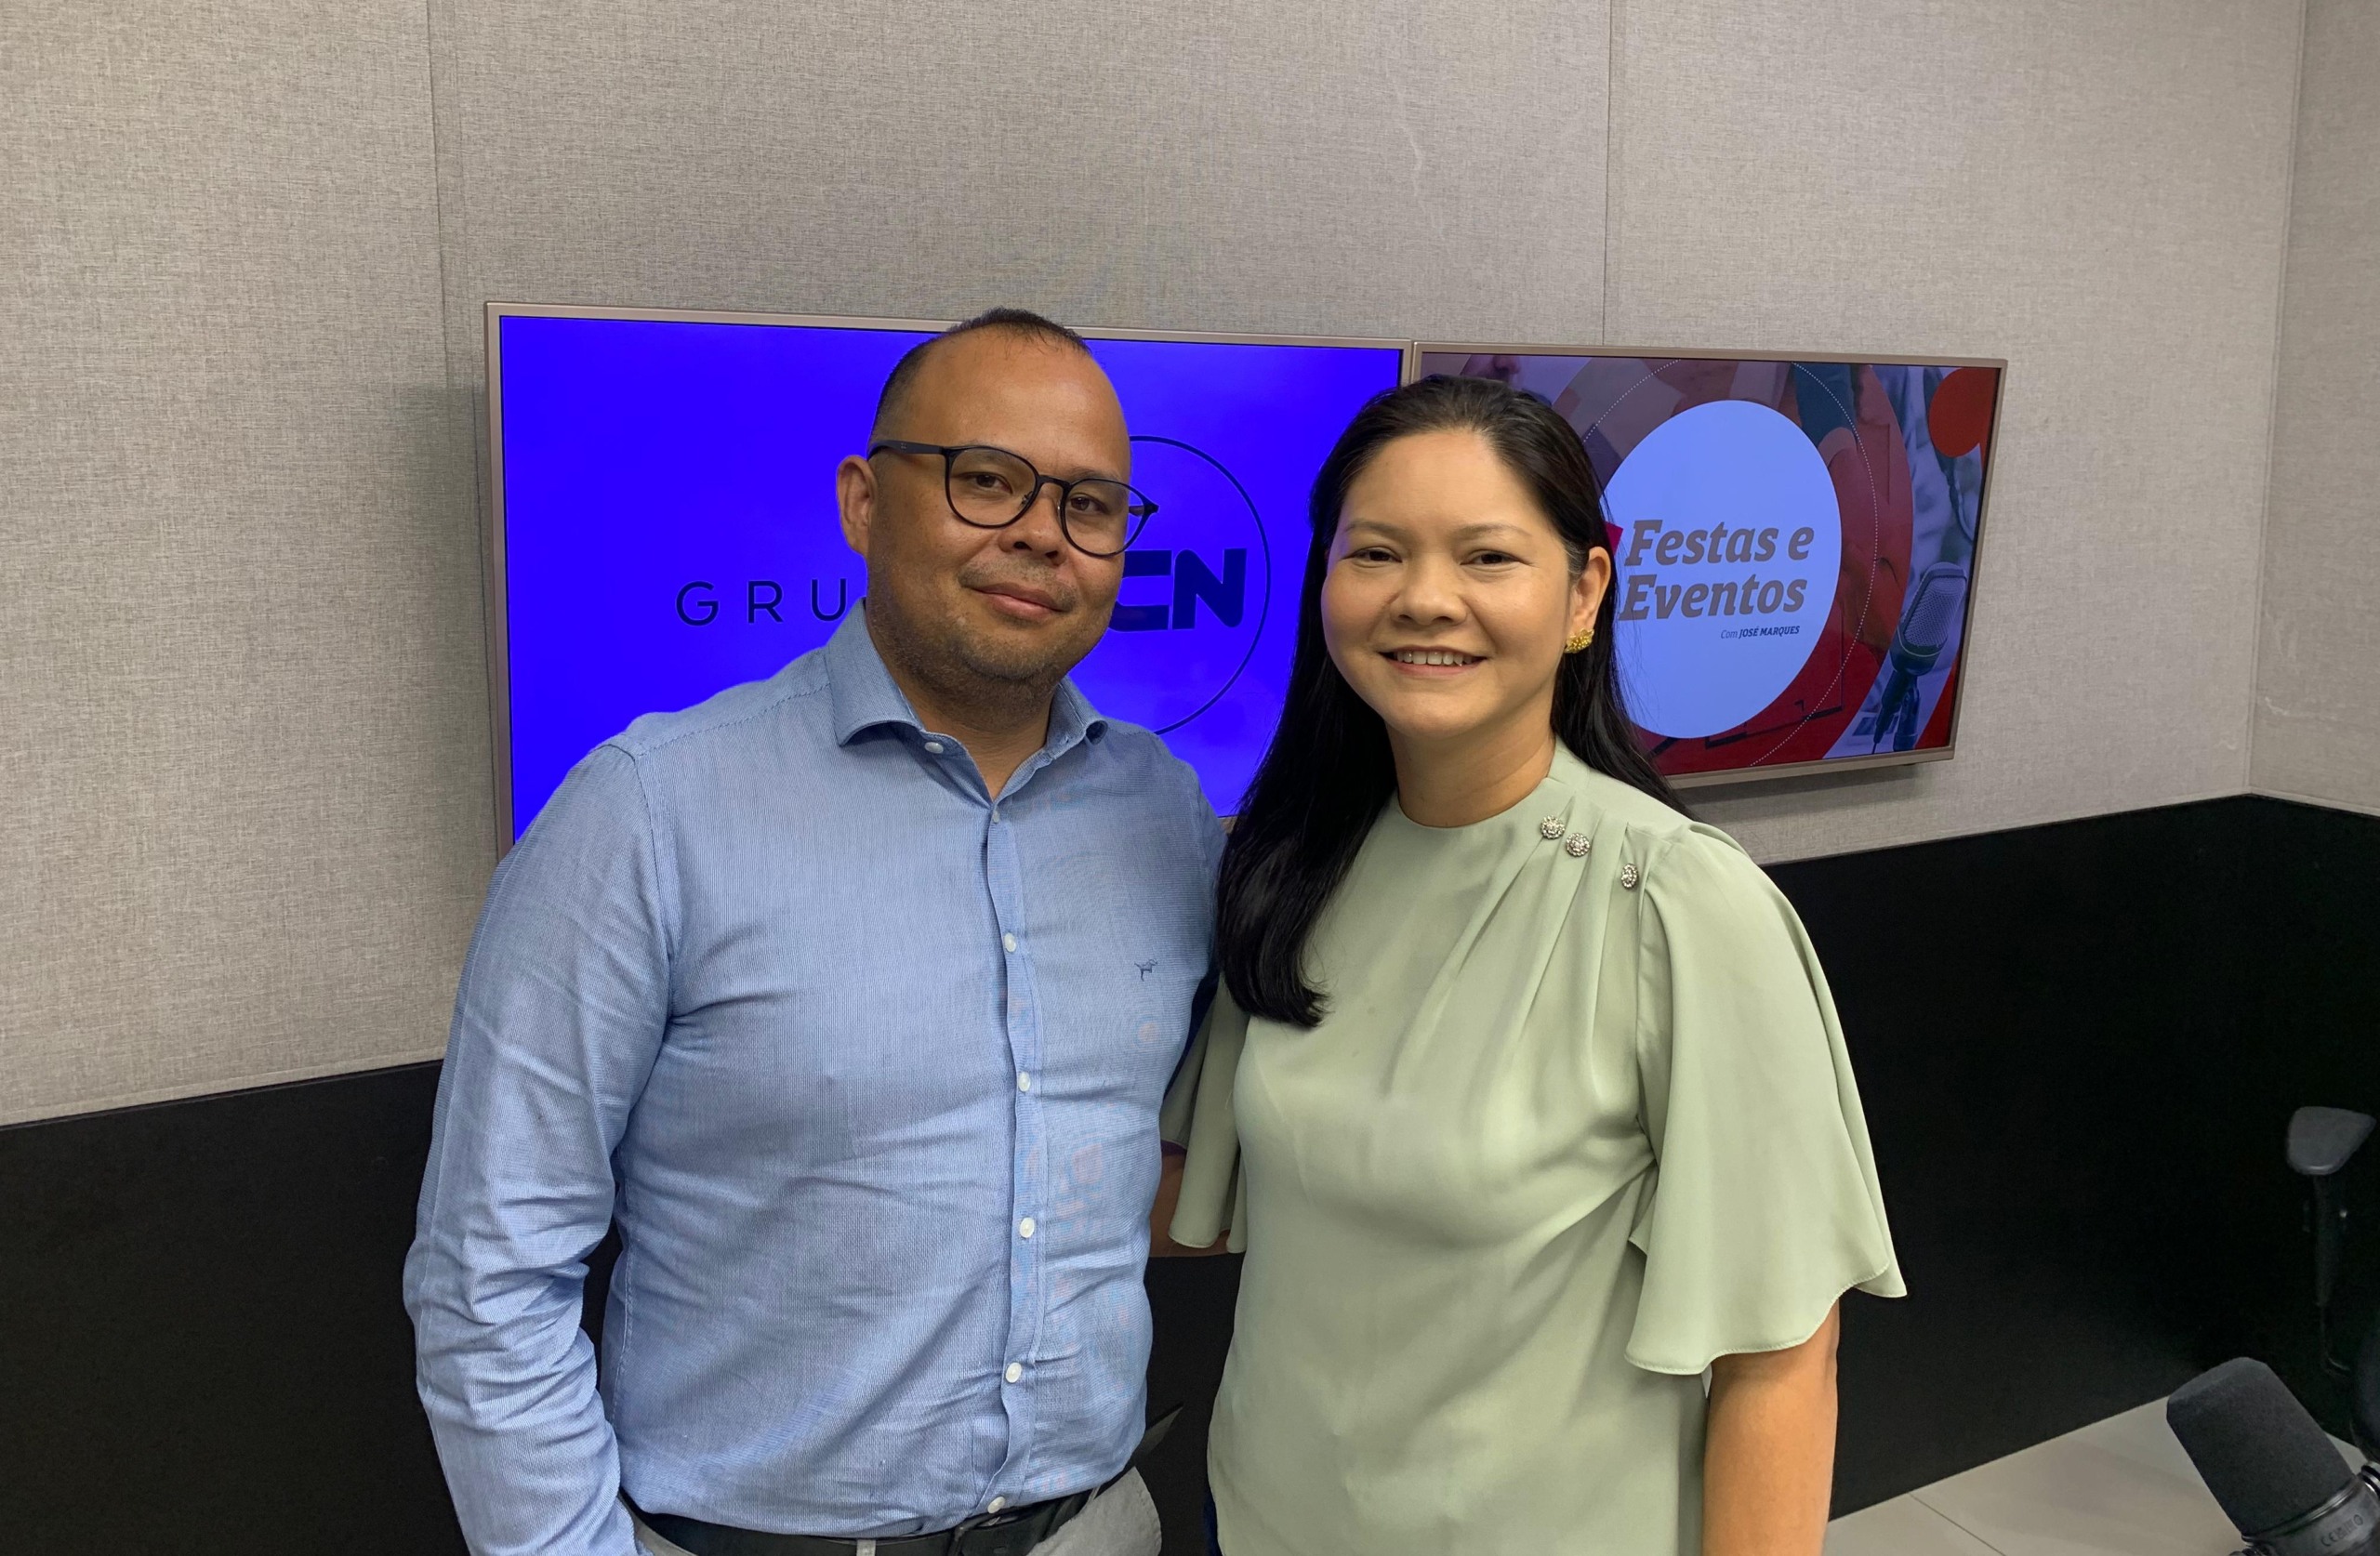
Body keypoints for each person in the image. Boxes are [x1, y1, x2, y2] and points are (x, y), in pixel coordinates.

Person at [405, 309, 1219, 1556]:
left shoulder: (1167, 816)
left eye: (1091, 504)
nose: (1041, 535)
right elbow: (490, 1269)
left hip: (1094, 1527)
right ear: (861, 501)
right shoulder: (650, 810)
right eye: (986, 479)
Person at [1153, 374, 1903, 1555]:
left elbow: (1783, 1357)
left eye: (1488, 558)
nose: (1424, 600)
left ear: (1583, 592)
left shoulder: (1678, 903)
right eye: (1377, 554)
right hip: (1256, 1521)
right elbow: (1191, 1203)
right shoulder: (1292, 866)